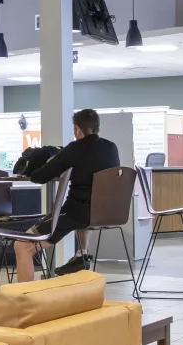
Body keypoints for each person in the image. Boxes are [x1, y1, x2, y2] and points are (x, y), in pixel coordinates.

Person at [12, 109, 121, 282]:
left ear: (77, 130)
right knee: (85, 213)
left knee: (22, 245)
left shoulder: (74, 149)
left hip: (77, 213)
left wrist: (43, 162)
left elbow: (39, 177)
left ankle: (25, 298)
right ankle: (82, 256)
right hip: (106, 213)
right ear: (97, 127)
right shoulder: (111, 147)